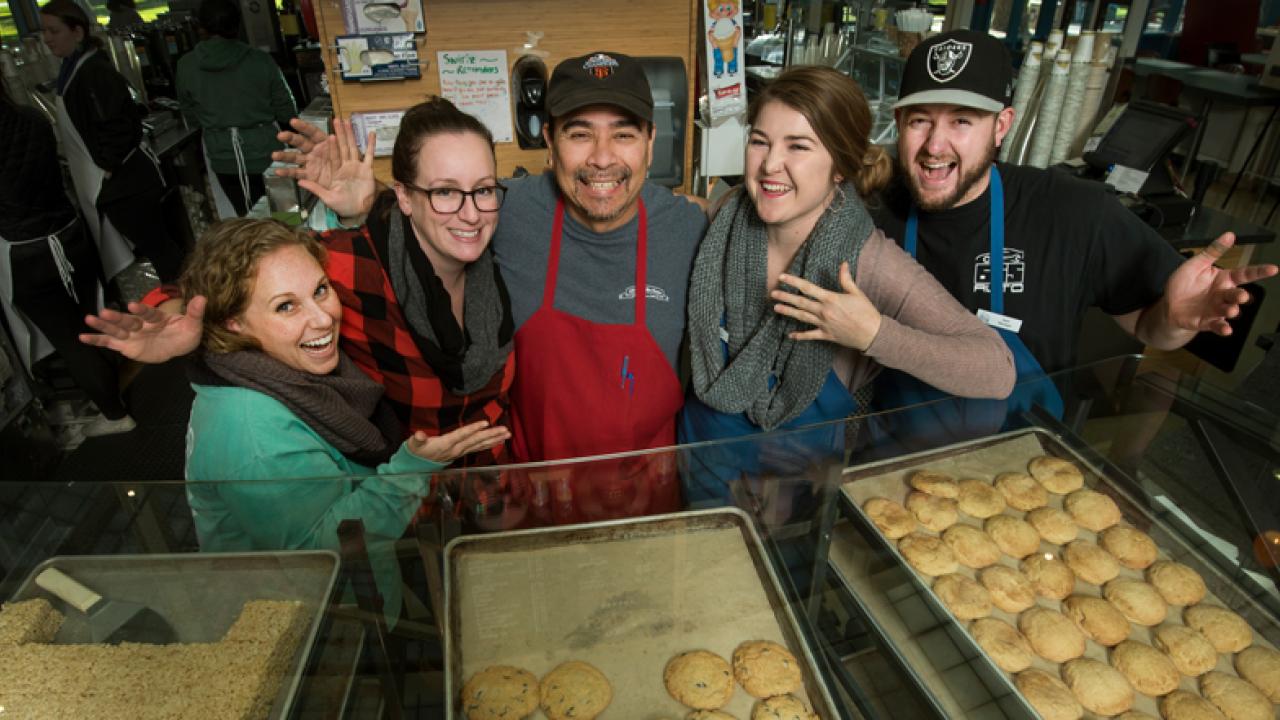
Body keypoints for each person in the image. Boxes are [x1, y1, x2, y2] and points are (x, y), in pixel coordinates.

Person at [271, 52, 708, 524]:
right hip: (531, 502)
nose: (602, 158)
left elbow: (762, 238)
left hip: (649, 503)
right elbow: (445, 214)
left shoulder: (690, 226)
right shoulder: (508, 208)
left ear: (650, 141)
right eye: (579, 134)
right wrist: (372, 203)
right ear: (549, 142)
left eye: (623, 134)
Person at [83, 97, 517, 473]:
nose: (472, 213)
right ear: (404, 196)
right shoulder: (350, 267)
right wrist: (178, 319)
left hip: (500, 474)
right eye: (444, 191)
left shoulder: (506, 255)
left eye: (482, 190)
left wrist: (370, 200)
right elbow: (231, 277)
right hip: (408, 489)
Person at [872, 29, 1278, 427]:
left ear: (1001, 126)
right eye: (920, 121)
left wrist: (1173, 321)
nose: (935, 146)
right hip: (885, 456)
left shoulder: (1072, 211)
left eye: (961, 121)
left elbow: (1147, 326)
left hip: (1020, 459)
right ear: (899, 121)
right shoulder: (870, 211)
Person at [678, 65, 1014, 504]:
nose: (769, 165)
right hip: (697, 467)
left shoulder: (870, 263)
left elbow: (997, 369)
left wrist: (874, 334)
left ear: (840, 167)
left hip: (796, 492)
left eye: (798, 147)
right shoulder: (726, 215)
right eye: (760, 141)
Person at [179, 218, 508, 628]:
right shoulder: (255, 436)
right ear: (233, 323)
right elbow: (324, 552)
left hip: (352, 599)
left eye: (320, 290)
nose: (322, 319)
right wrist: (411, 469)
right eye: (286, 306)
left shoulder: (273, 372)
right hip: (318, 625)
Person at [0, 73, 135, 436]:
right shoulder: (32, 118)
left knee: (71, 339)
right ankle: (119, 384)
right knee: (92, 317)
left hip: (25, 253)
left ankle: (114, 414)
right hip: (70, 235)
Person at [40, 0, 185, 283]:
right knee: (159, 251)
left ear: (78, 32)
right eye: (43, 32)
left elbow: (118, 126)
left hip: (126, 184)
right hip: (114, 183)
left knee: (162, 251)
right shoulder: (75, 69)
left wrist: (107, 167)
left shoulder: (94, 72)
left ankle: (191, 305)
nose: (47, 39)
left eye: (54, 31)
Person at [177, 0, 297, 216]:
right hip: (268, 152)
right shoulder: (260, 60)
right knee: (286, 216)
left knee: (248, 220)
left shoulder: (186, 65)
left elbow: (190, 115)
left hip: (223, 156)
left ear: (201, 27)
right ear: (237, 25)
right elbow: (286, 110)